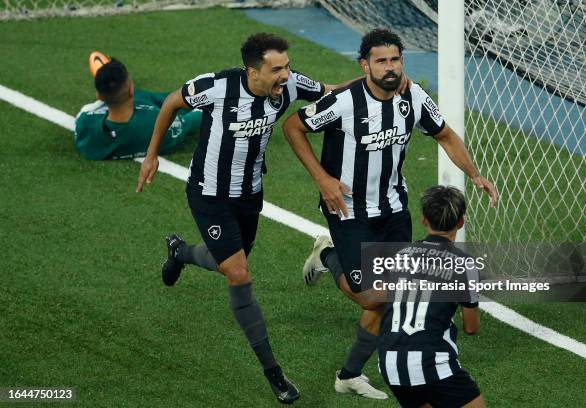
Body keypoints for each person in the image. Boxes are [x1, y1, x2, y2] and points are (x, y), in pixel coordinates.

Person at [135, 32, 370, 404]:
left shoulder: (289, 85)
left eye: (287, 67)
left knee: (227, 261)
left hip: (250, 196)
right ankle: (274, 374)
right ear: (253, 71)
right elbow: (170, 103)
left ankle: (179, 252)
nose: (286, 75)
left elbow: (332, 91)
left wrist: (373, 78)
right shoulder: (215, 87)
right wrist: (152, 155)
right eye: (277, 69)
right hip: (209, 196)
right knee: (239, 273)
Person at [282, 28, 497, 400]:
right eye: (381, 61)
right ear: (364, 65)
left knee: (390, 295)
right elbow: (293, 126)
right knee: (371, 297)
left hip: (394, 207)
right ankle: (327, 255)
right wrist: (322, 179)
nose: (390, 67)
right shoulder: (344, 102)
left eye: (395, 59)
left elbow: (445, 135)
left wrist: (475, 174)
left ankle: (349, 373)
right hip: (348, 208)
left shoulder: (412, 96)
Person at [378, 185, 485, 408]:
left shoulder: (401, 255)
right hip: (430, 363)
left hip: (390, 363)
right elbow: (471, 327)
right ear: (461, 222)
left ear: (424, 219)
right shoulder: (464, 265)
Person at [74, 52, 200, 160]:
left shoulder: (85, 127)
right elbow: (194, 118)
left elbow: (86, 113)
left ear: (99, 96)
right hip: (150, 103)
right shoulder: (155, 123)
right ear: (131, 89)